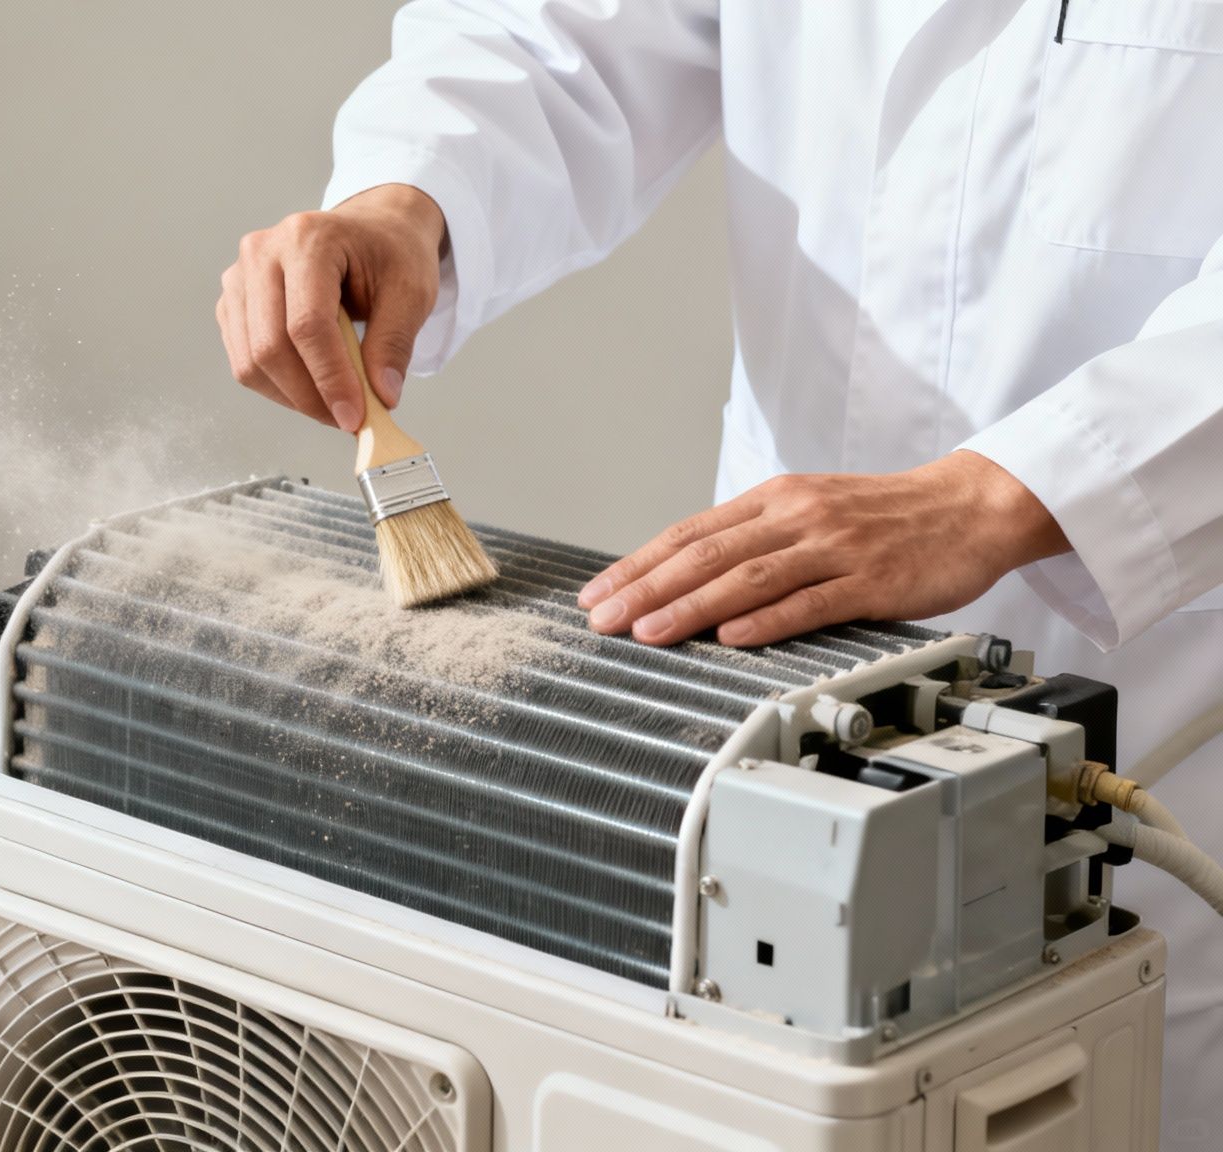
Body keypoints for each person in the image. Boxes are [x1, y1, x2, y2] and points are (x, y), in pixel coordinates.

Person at [215, 1, 1223, 1142]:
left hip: (1166, 691)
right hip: (769, 649)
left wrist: (1006, 493)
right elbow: (566, 36)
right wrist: (408, 198)